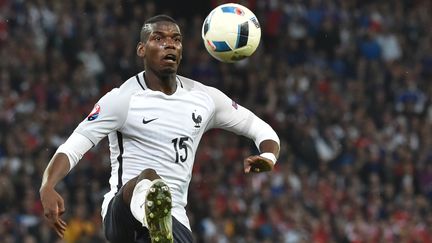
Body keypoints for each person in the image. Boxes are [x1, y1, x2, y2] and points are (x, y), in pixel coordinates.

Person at [39, 15, 280, 243]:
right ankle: (153, 212)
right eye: (159, 38)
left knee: (159, 197)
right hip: (123, 215)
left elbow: (260, 128)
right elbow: (73, 147)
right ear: (141, 49)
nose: (170, 44)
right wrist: (47, 185)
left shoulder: (204, 98)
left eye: (176, 39)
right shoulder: (122, 99)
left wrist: (268, 156)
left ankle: (161, 228)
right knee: (148, 178)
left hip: (176, 219)